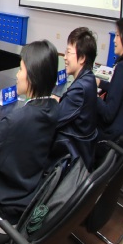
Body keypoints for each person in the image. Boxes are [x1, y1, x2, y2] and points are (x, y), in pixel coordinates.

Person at [0, 40, 60, 244]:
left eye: (21, 69)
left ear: (33, 76)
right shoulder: (51, 108)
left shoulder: (17, 121)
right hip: (23, 204)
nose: (17, 75)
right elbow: (15, 133)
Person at [54, 27, 99, 170]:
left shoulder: (79, 88)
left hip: (71, 154)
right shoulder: (89, 78)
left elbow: (55, 120)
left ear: (82, 58)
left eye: (68, 52)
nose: (64, 57)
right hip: (84, 149)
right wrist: (60, 101)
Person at [98, 17, 123, 141]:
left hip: (113, 137)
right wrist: (100, 83)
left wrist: (93, 96)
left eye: (117, 35)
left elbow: (108, 114)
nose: (114, 40)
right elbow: (120, 88)